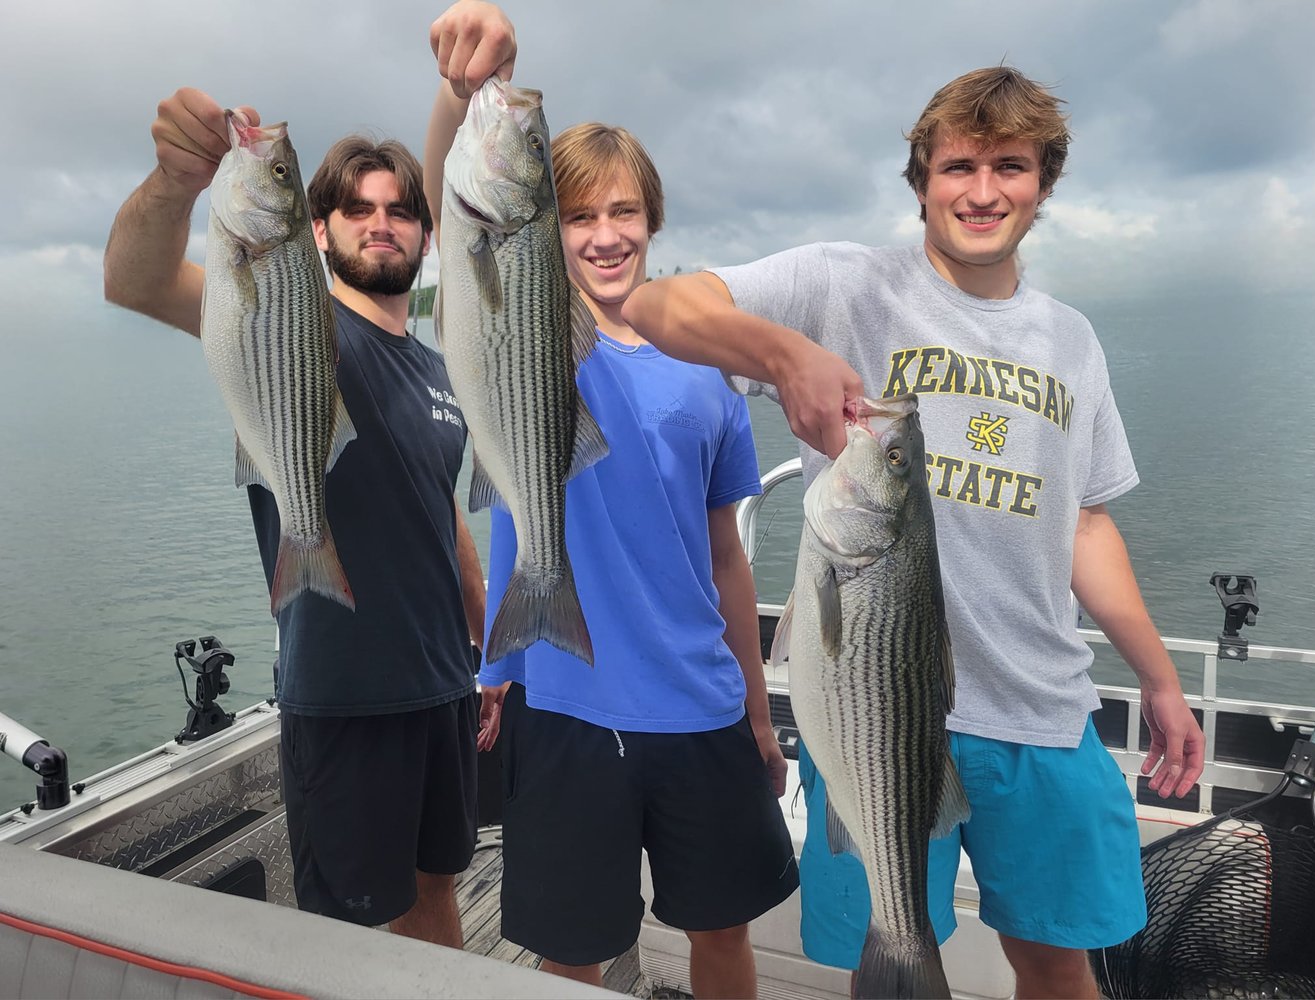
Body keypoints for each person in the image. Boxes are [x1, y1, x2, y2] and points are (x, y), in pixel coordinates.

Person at [623, 66, 1207, 999]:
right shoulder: (839, 284)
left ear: (1043, 183)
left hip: (1041, 709)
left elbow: (1084, 523)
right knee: (884, 958)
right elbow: (653, 307)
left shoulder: (1072, 340)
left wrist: (1160, 679)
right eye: (956, 166)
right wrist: (784, 352)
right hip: (872, 709)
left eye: (1008, 166)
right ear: (922, 180)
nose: (982, 192)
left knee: (1058, 961)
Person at [100, 1, 516, 945]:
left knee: (437, 895)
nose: (383, 224)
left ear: (422, 232)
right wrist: (174, 182)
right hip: (346, 693)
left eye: (401, 210)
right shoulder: (296, 325)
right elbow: (134, 280)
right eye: (357, 208)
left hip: (444, 685)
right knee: (351, 936)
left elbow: (437, 508)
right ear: (316, 230)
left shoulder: (441, 366)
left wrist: (483, 637)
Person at [427, 7, 798, 996]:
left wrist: (760, 713)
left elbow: (727, 559)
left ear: (653, 221)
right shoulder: (534, 330)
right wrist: (465, 98)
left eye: (622, 212)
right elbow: (457, 210)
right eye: (580, 215)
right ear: (551, 226)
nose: (602, 235)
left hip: (701, 703)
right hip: (567, 703)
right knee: (569, 953)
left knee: (721, 934)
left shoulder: (708, 369)